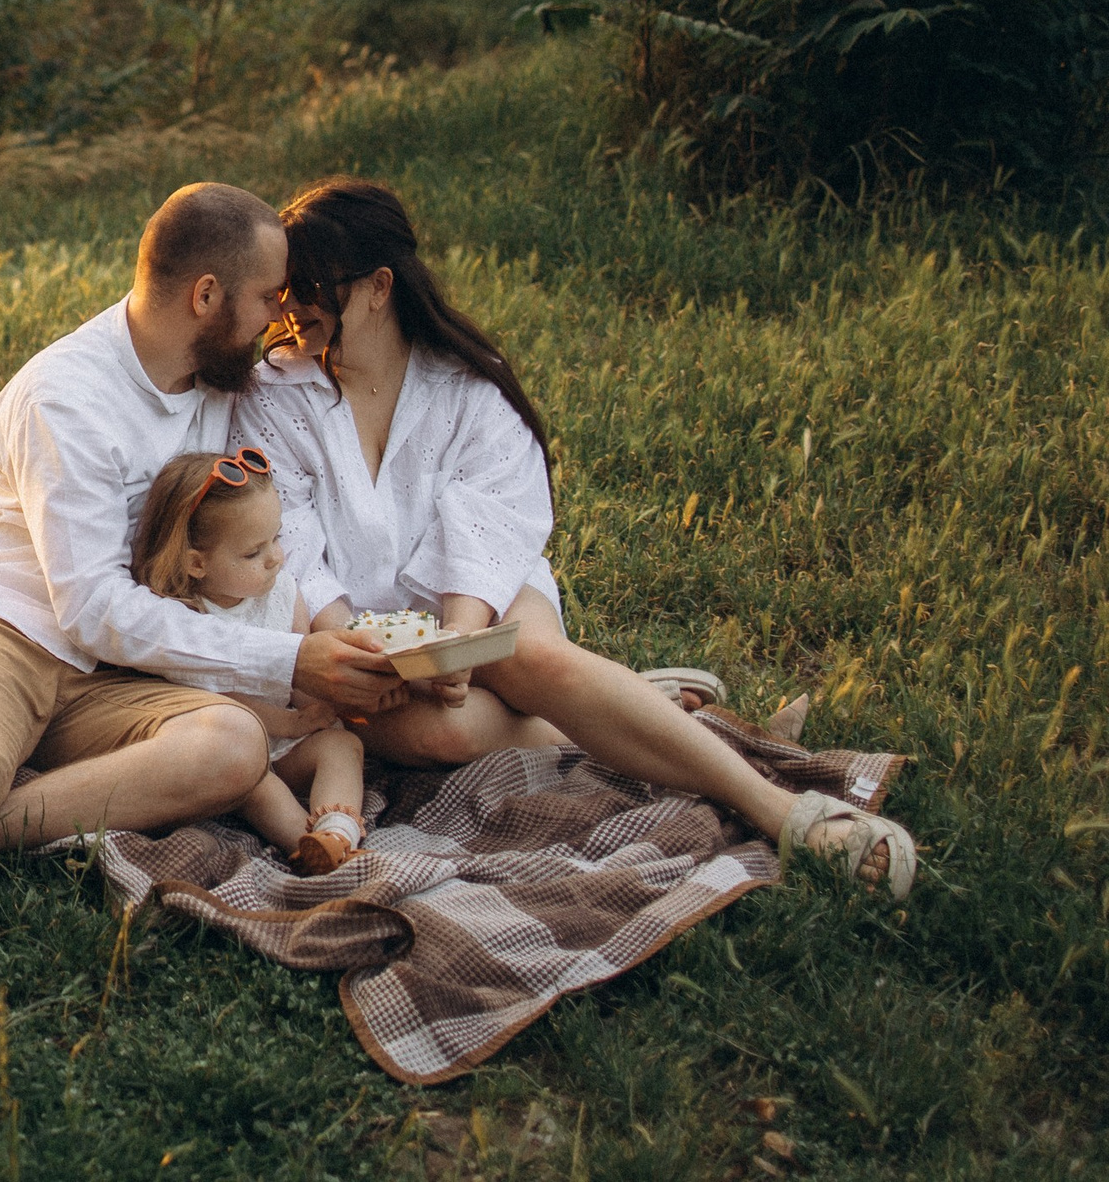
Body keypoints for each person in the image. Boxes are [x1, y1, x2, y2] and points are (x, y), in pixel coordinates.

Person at [0, 183, 412, 1027]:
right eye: (265, 297)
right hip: (2, 623)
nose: (279, 318)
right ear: (206, 296)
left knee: (230, 743)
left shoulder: (219, 385)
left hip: (115, 668)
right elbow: (89, 605)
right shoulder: (68, 395)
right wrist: (290, 661)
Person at [238, 176, 917, 897]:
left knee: (531, 653)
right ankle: (622, 710)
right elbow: (292, 537)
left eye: (309, 285)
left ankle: (777, 808)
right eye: (284, 288)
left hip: (480, 597)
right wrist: (357, 646)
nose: (289, 307)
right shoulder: (274, 396)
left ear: (377, 288)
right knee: (447, 734)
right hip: (350, 634)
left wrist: (459, 639)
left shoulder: (468, 383)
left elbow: (493, 521)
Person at [130, 446, 368, 873]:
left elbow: (302, 671)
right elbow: (218, 698)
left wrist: (324, 706)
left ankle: (337, 831)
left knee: (342, 746)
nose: (275, 557)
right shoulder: (184, 622)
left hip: (286, 738)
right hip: (230, 752)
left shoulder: (281, 592)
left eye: (275, 538)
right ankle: (307, 845)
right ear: (197, 563)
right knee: (257, 782)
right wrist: (290, 724)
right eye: (253, 552)